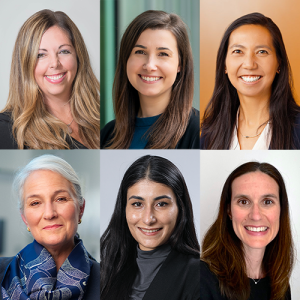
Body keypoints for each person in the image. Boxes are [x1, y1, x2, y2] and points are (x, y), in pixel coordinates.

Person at [0, 155, 100, 299]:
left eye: (61, 199)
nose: (49, 214)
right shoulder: (3, 272)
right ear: (24, 218)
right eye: (35, 203)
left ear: (81, 208)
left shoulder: (109, 279)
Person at [100, 155, 200, 299]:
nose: (148, 219)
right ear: (124, 209)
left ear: (180, 208)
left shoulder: (197, 274)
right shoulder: (106, 270)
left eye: (161, 204)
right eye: (137, 204)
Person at [0, 9, 100, 149]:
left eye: (63, 51)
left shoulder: (104, 117)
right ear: (25, 64)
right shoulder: (7, 130)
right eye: (41, 55)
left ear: (78, 57)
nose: (55, 63)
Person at [101, 10, 199, 149]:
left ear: (180, 65)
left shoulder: (198, 131)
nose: (149, 65)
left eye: (163, 54)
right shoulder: (108, 134)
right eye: (140, 52)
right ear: (126, 59)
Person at [200, 12, 300, 149]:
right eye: (238, 51)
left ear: (279, 64)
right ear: (224, 65)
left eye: (262, 52)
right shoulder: (209, 132)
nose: (249, 64)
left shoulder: (297, 128)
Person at [200, 162, 294, 300]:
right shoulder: (200, 279)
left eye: (267, 202)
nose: (255, 215)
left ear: (281, 210)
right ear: (229, 211)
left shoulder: (281, 285)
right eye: (244, 202)